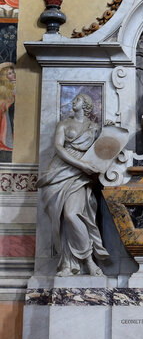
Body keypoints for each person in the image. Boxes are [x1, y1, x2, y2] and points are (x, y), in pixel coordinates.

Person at [37, 93, 110, 276]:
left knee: (72, 214)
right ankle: (67, 264)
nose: (73, 101)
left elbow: (102, 151)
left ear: (85, 105)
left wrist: (108, 133)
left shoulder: (94, 128)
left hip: (79, 177)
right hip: (59, 171)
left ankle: (88, 260)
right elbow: (59, 148)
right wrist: (81, 164)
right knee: (61, 218)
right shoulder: (63, 124)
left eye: (77, 99)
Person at [0, 62, 16, 153]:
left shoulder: (18, 85)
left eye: (13, 72)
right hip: (6, 113)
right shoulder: (3, 89)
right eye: (10, 73)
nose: (13, 75)